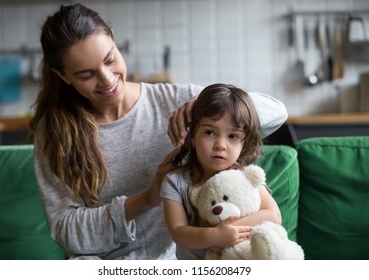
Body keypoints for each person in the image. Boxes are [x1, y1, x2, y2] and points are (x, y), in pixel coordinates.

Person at [29, 3, 287, 260]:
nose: (107, 80)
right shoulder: (55, 133)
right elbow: (66, 229)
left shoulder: (177, 101)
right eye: (86, 74)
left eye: (110, 60)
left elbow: (277, 112)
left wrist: (201, 104)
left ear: (115, 41)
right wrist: (147, 199)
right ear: (63, 76)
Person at [160, 83, 282, 260]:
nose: (220, 145)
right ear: (192, 136)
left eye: (232, 136)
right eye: (209, 132)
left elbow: (273, 215)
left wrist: (226, 233)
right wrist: (214, 236)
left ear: (244, 143)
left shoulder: (245, 176)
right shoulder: (175, 181)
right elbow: (178, 232)